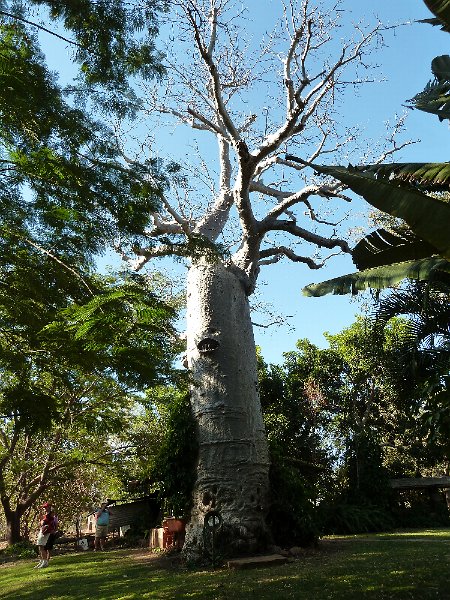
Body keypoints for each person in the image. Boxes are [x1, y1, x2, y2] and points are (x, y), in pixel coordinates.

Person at [35, 502, 58, 569]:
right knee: (40, 546)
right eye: (44, 507)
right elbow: (41, 521)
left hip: (46, 532)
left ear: (49, 507)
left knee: (42, 546)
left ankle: (45, 562)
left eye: (46, 507)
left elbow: (48, 522)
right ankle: (42, 561)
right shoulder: (45, 515)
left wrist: (43, 522)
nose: (44, 508)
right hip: (43, 531)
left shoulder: (50, 514)